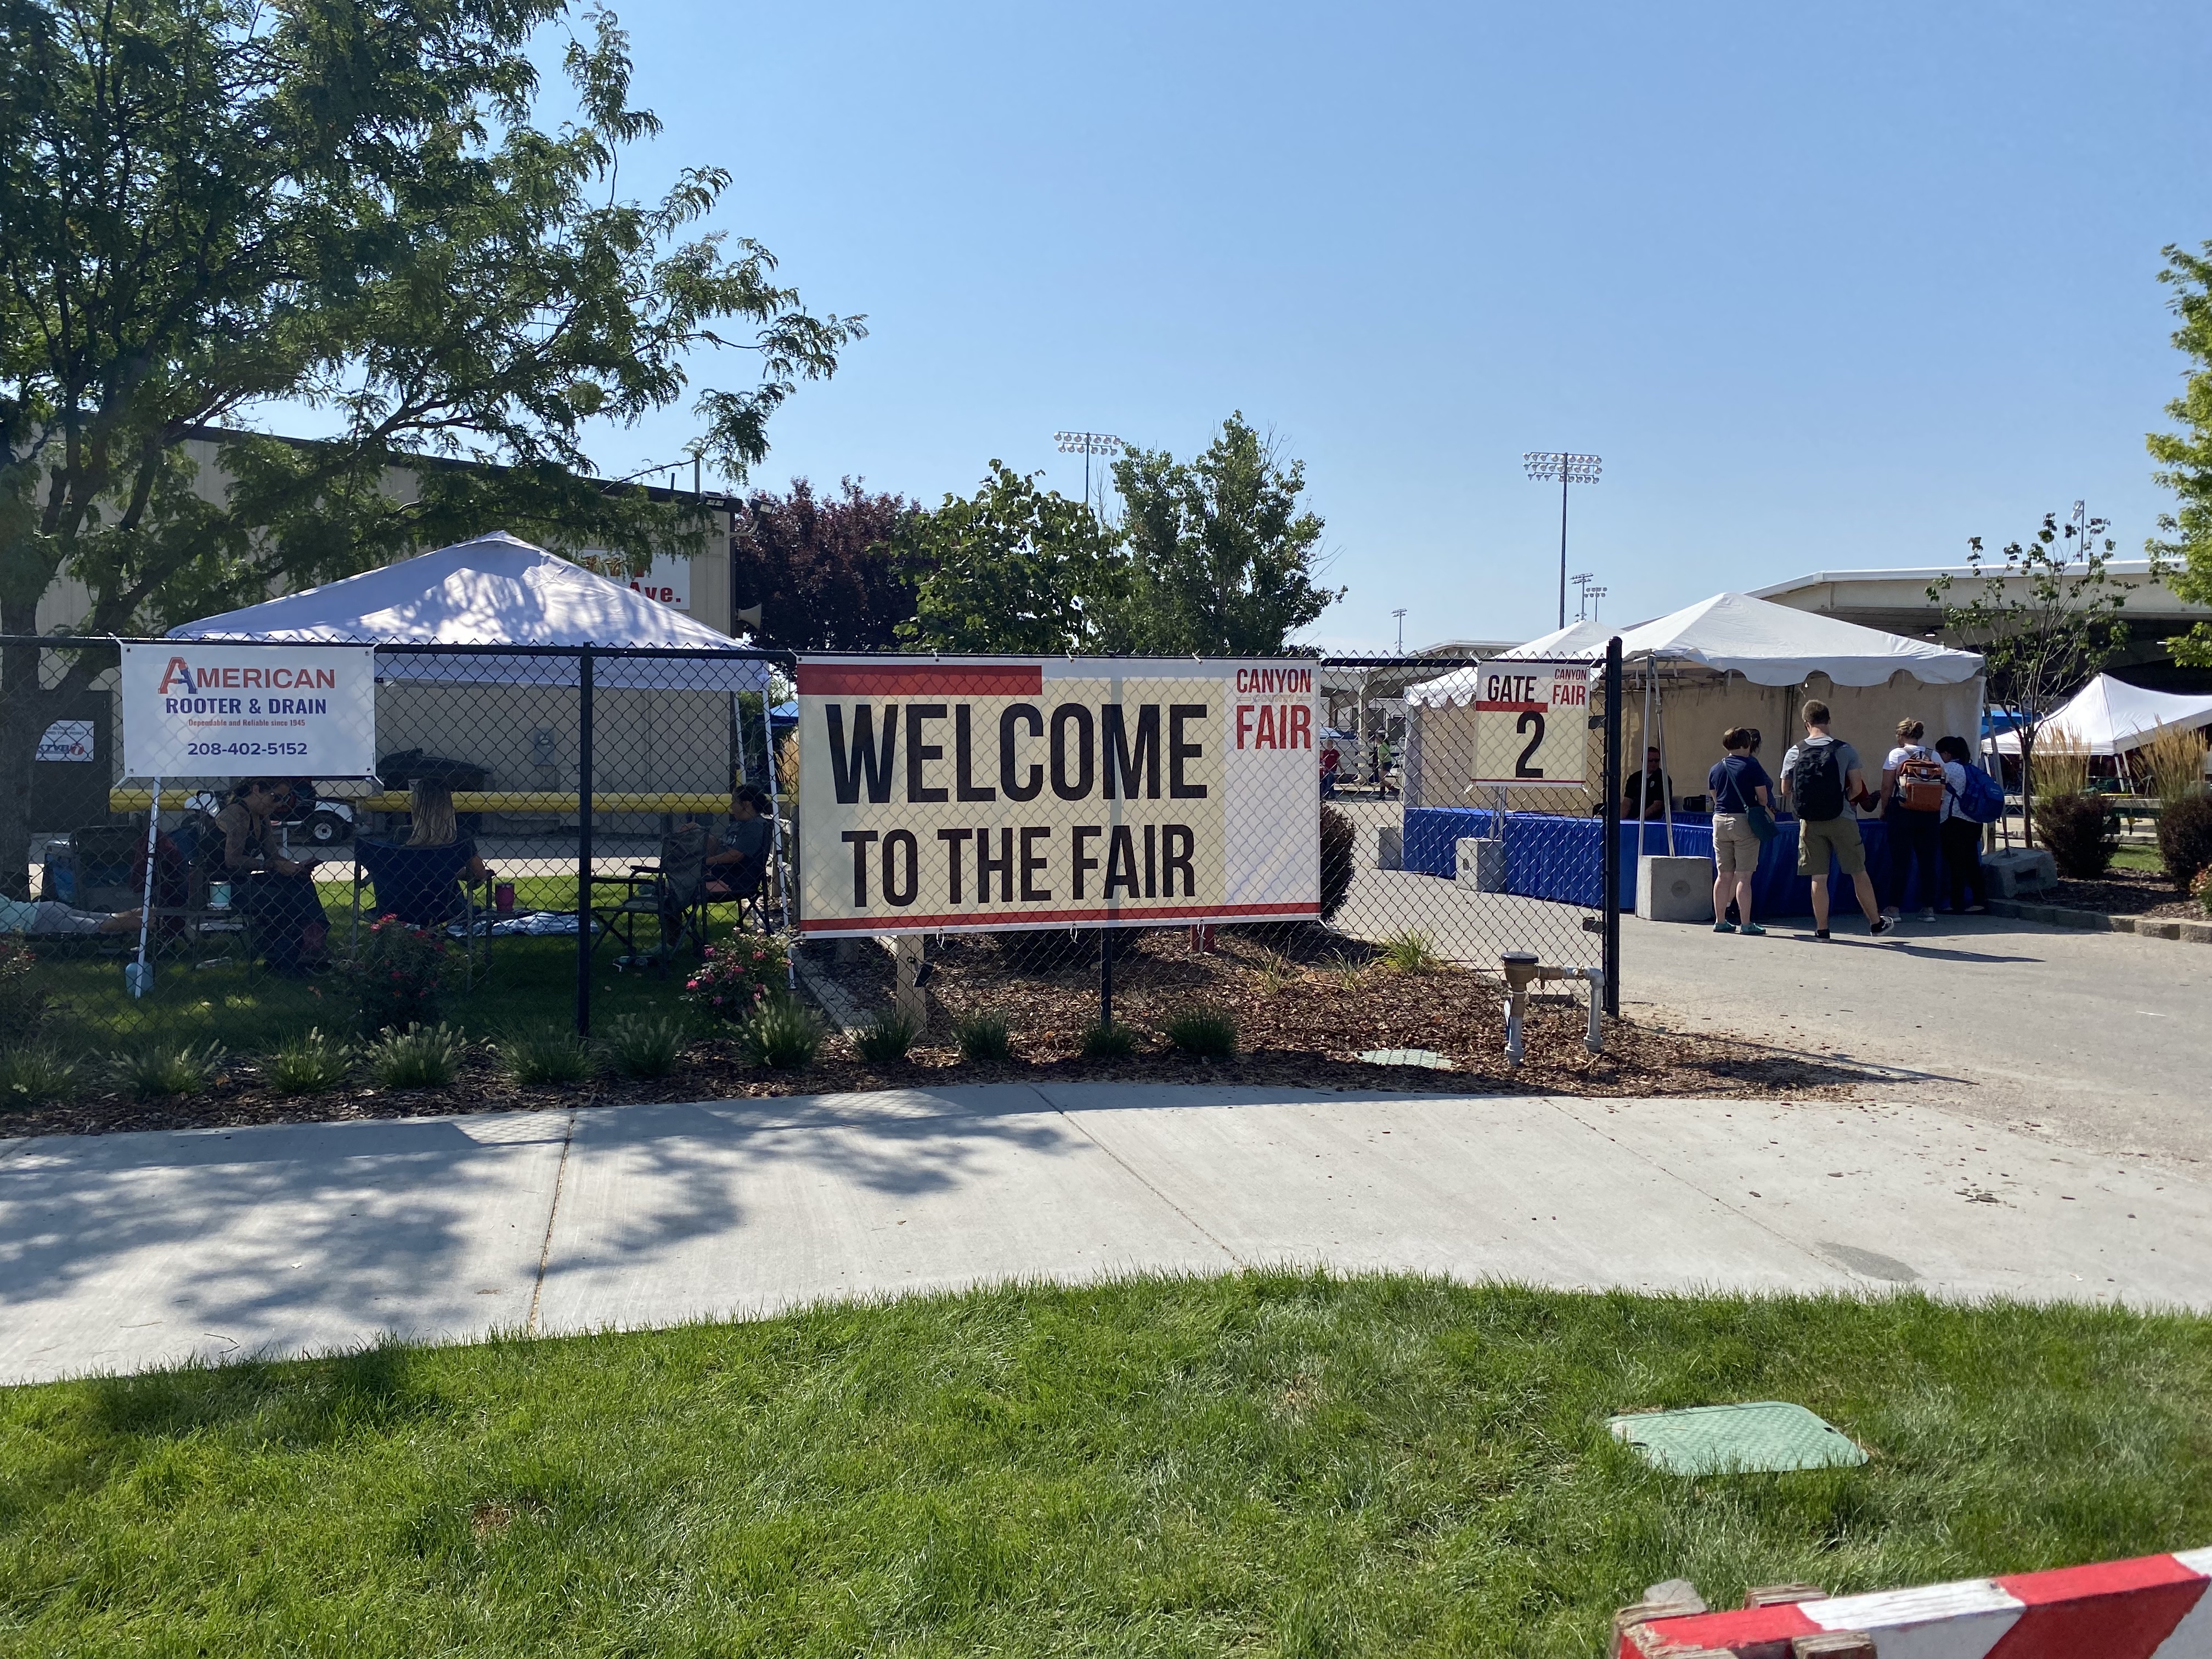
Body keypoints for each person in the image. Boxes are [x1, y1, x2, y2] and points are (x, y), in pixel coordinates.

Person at [1780, 700, 1893, 939]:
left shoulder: (1795, 751)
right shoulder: (1846, 750)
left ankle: (1822, 929)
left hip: (1809, 821)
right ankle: (1875, 924)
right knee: (1858, 872)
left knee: (1819, 878)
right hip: (1842, 817)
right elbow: (1855, 787)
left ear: (1806, 723)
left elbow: (1785, 789)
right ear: (1829, 721)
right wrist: (1844, 800)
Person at [216, 777, 330, 973]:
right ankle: (288, 958)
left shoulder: (261, 816)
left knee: (299, 881)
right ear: (257, 789)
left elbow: (273, 856)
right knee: (282, 897)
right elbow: (232, 861)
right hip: (218, 888)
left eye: (284, 800)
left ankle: (312, 942)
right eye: (275, 797)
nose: (278, 804)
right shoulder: (236, 813)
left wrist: (294, 867)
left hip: (241, 881)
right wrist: (273, 866)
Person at [1878, 718, 1944, 923]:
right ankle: (1929, 909)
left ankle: (1894, 908)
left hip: (1903, 812)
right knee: (1928, 861)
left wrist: (1884, 808)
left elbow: (1887, 786)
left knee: (1900, 861)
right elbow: (1944, 782)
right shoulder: (1935, 756)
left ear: (1900, 736)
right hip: (1931, 814)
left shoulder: (1896, 755)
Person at [1707, 726, 1772, 935]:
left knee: (1723, 875)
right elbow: (1762, 797)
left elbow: (1715, 796)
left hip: (1720, 820)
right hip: (1743, 822)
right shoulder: (1751, 765)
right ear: (1746, 745)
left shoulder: (1716, 768)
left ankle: (1720, 920)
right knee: (1744, 876)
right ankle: (1746, 923)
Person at [400, 780, 493, 920]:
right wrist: (454, 872)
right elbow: (480, 874)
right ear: (448, 806)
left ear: (416, 805)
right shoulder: (460, 839)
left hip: (403, 907)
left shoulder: (400, 838)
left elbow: (422, 869)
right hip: (447, 909)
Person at [1935, 735, 1991, 914]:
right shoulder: (1972, 768)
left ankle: (1956, 903)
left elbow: (1938, 791)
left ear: (1947, 753)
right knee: (1972, 862)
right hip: (1974, 821)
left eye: (1941, 753)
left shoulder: (1949, 769)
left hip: (1954, 821)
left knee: (1955, 864)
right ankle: (1979, 901)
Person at [707, 784, 775, 912]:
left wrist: (704, 863)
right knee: (676, 885)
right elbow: (720, 848)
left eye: (734, 801)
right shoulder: (737, 824)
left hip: (733, 882)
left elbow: (735, 855)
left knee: (680, 889)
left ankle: (676, 930)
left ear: (745, 804)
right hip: (717, 874)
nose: (731, 806)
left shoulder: (755, 826)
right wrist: (705, 838)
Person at [0, 895, 143, 936]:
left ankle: (151, 924)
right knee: (107, 917)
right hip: (45, 908)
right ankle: (149, 913)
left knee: (99, 926)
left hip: (39, 921)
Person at [1623, 746, 1672, 820]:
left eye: (1657, 761)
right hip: (1633, 817)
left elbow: (1658, 804)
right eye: (1650, 760)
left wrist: (1640, 819)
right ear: (1643, 760)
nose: (1654, 763)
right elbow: (1627, 802)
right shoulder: (1634, 778)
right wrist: (1621, 819)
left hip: (1653, 819)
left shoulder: (1662, 778)